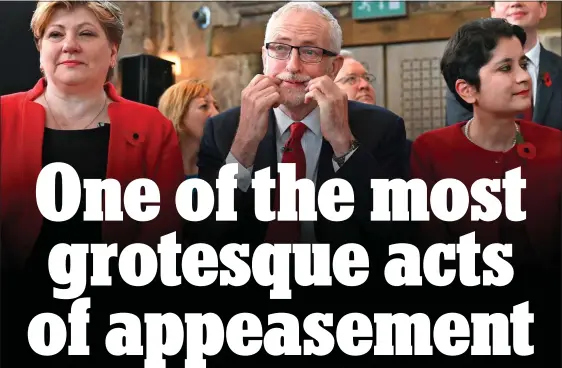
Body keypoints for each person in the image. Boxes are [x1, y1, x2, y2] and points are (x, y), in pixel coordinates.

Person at [196, 1, 409, 255]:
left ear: (334, 67)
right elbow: (204, 237)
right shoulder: (222, 130)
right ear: (265, 57)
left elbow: (395, 234)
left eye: (310, 52)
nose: (293, 66)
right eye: (280, 49)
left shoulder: (382, 128)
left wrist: (344, 143)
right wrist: (244, 145)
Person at [0, 0, 185, 273]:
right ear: (41, 51)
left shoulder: (153, 127)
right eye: (55, 34)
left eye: (86, 33)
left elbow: (164, 229)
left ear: (113, 52)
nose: (69, 45)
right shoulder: (3, 116)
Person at [412, 18, 561, 274]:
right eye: (505, 68)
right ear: (467, 90)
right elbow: (431, 250)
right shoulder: (432, 151)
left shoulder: (555, 145)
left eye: (522, 64)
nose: (524, 77)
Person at [445, 1, 562, 131]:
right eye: (505, 68)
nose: (516, 2)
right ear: (492, 13)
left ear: (543, 8)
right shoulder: (466, 70)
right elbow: (460, 135)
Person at [158, 79, 220, 179]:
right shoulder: (153, 172)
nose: (216, 114)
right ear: (178, 113)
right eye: (204, 106)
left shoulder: (220, 167)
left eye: (216, 106)